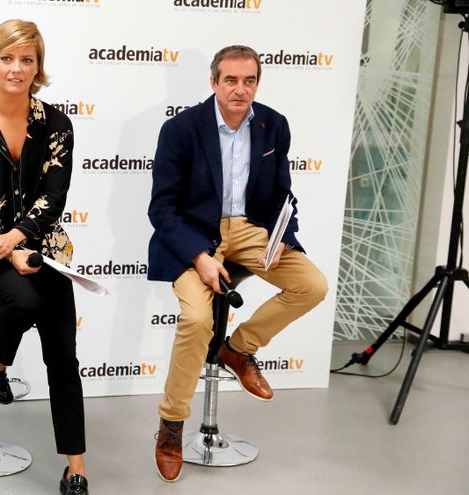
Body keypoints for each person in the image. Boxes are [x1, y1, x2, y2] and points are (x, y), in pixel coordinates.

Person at [147, 45, 328, 482]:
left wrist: (283, 233)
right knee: (196, 319)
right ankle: (171, 426)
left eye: (249, 81)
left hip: (249, 230)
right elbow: (162, 208)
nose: (240, 89)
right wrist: (199, 258)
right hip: (195, 235)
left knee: (313, 285)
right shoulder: (181, 129)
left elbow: (282, 190)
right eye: (231, 80)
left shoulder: (273, 125)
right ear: (213, 83)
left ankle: (240, 348)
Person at [0, 19, 88, 495]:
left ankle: (77, 467)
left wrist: (24, 238)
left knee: (63, 358)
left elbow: (55, 194)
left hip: (43, 246)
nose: (17, 68)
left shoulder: (57, 124)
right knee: (25, 302)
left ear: (37, 66)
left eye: (27, 59)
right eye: (7, 58)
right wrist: (8, 248)